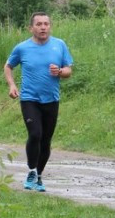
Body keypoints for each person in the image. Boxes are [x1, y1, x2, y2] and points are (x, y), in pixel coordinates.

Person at [4, 12, 73, 192]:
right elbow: (8, 66)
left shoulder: (59, 45)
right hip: (29, 99)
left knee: (46, 140)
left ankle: (39, 176)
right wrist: (11, 85)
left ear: (50, 26)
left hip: (51, 99)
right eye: (39, 24)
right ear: (31, 28)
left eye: (46, 24)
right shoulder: (22, 48)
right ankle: (32, 171)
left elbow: (68, 71)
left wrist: (59, 71)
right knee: (35, 134)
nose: (43, 27)